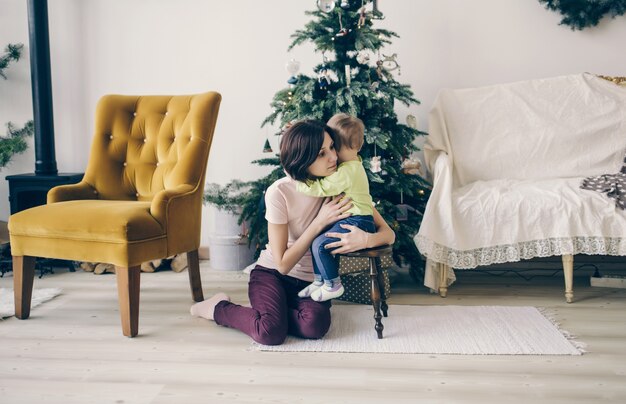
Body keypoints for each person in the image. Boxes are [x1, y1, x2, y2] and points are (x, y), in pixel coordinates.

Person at [190, 119, 395, 346]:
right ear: (303, 158)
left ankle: (273, 312)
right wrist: (319, 223)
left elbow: (388, 234)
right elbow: (282, 265)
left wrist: (366, 239)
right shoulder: (280, 192)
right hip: (272, 274)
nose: (333, 157)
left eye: (332, 147)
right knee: (269, 333)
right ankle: (218, 307)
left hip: (310, 282)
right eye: (321, 153)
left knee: (315, 326)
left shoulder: (342, 185)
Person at [295, 113, 374, 302]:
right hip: (357, 218)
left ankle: (333, 284)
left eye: (336, 147)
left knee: (320, 245)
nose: (334, 155)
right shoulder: (354, 165)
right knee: (317, 241)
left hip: (358, 221)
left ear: (354, 147)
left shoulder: (347, 171)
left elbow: (322, 188)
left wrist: (299, 182)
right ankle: (319, 280)